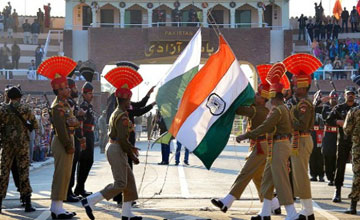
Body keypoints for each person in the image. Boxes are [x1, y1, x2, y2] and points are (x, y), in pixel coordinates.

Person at [212, 65, 282, 214]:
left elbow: (239, 110)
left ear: (262, 99)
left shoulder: (256, 110)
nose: (254, 96)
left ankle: (227, 202)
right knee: (258, 178)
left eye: (257, 95)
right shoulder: (263, 109)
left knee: (245, 173)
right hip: (262, 146)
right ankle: (274, 204)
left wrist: (235, 96)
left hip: (260, 147)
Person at [236, 63, 298, 220]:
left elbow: (265, 127)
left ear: (273, 96)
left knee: (281, 181)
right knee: (267, 182)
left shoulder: (278, 110)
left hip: (279, 146)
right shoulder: (281, 108)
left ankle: (292, 213)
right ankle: (264, 213)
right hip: (275, 146)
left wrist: (245, 136)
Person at [81, 66, 142, 220]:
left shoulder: (119, 112)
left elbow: (122, 138)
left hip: (116, 147)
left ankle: (126, 214)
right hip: (116, 149)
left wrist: (131, 149)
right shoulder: (122, 116)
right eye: (129, 99)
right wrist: (132, 155)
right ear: (125, 100)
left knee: (130, 182)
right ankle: (90, 201)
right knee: (121, 183)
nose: (130, 101)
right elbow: (122, 139)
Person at [37, 56, 79, 219]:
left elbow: (71, 123)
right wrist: (68, 144)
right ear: (57, 91)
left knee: (66, 174)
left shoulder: (66, 104)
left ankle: (59, 207)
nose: (66, 91)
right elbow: (61, 129)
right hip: (63, 142)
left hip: (68, 139)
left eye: (66, 88)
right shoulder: (58, 106)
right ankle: (56, 208)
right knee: (61, 174)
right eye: (61, 89)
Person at [285, 54, 320, 220]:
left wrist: (289, 114)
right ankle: (306, 209)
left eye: (296, 84)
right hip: (297, 140)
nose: (293, 86)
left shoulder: (304, 104)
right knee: (298, 176)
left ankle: (308, 210)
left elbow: (302, 125)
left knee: (301, 175)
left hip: (303, 139)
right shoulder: (297, 102)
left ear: (303, 86)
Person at [0, 86, 37, 213]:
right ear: (19, 97)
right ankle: (27, 203)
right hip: (22, 145)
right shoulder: (25, 108)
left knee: (3, 173)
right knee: (23, 173)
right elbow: (35, 124)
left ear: (9, 97)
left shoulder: (2, 109)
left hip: (7, 145)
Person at [327, 86, 358, 203]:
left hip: (356, 141)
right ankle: (337, 190)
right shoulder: (339, 108)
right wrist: (337, 122)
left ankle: (356, 194)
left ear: (355, 96)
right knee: (340, 166)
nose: (350, 96)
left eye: (352, 94)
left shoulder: (357, 108)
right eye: (348, 94)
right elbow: (328, 120)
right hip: (343, 141)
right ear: (345, 95)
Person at [65, 78, 86, 203]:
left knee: (72, 167)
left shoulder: (72, 102)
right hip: (71, 136)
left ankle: (70, 191)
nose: (75, 89)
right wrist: (78, 114)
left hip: (76, 137)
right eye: (73, 87)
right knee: (69, 167)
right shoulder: (68, 102)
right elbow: (70, 121)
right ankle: (67, 192)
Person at [75, 81, 95, 198]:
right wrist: (82, 138)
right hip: (86, 135)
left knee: (87, 162)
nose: (91, 95)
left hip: (90, 135)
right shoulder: (83, 106)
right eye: (89, 93)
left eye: (92, 93)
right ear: (83, 94)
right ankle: (79, 187)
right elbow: (81, 123)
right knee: (85, 162)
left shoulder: (88, 105)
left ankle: (80, 187)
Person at [343, 78, 360, 215]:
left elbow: (346, 129)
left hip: (358, 147)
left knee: (357, 175)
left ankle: (353, 205)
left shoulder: (354, 111)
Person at [322, 90, 338, 186]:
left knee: (336, 158)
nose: (334, 99)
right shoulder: (326, 107)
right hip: (328, 135)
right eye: (332, 98)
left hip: (337, 135)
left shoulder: (339, 108)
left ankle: (335, 178)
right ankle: (329, 177)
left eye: (336, 98)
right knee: (327, 156)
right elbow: (326, 119)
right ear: (330, 97)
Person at [309, 91, 327, 182]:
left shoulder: (325, 108)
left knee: (320, 155)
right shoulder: (311, 108)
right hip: (312, 133)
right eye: (317, 96)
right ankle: (313, 175)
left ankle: (321, 175)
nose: (319, 98)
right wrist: (316, 102)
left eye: (320, 96)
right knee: (312, 154)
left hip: (321, 133)